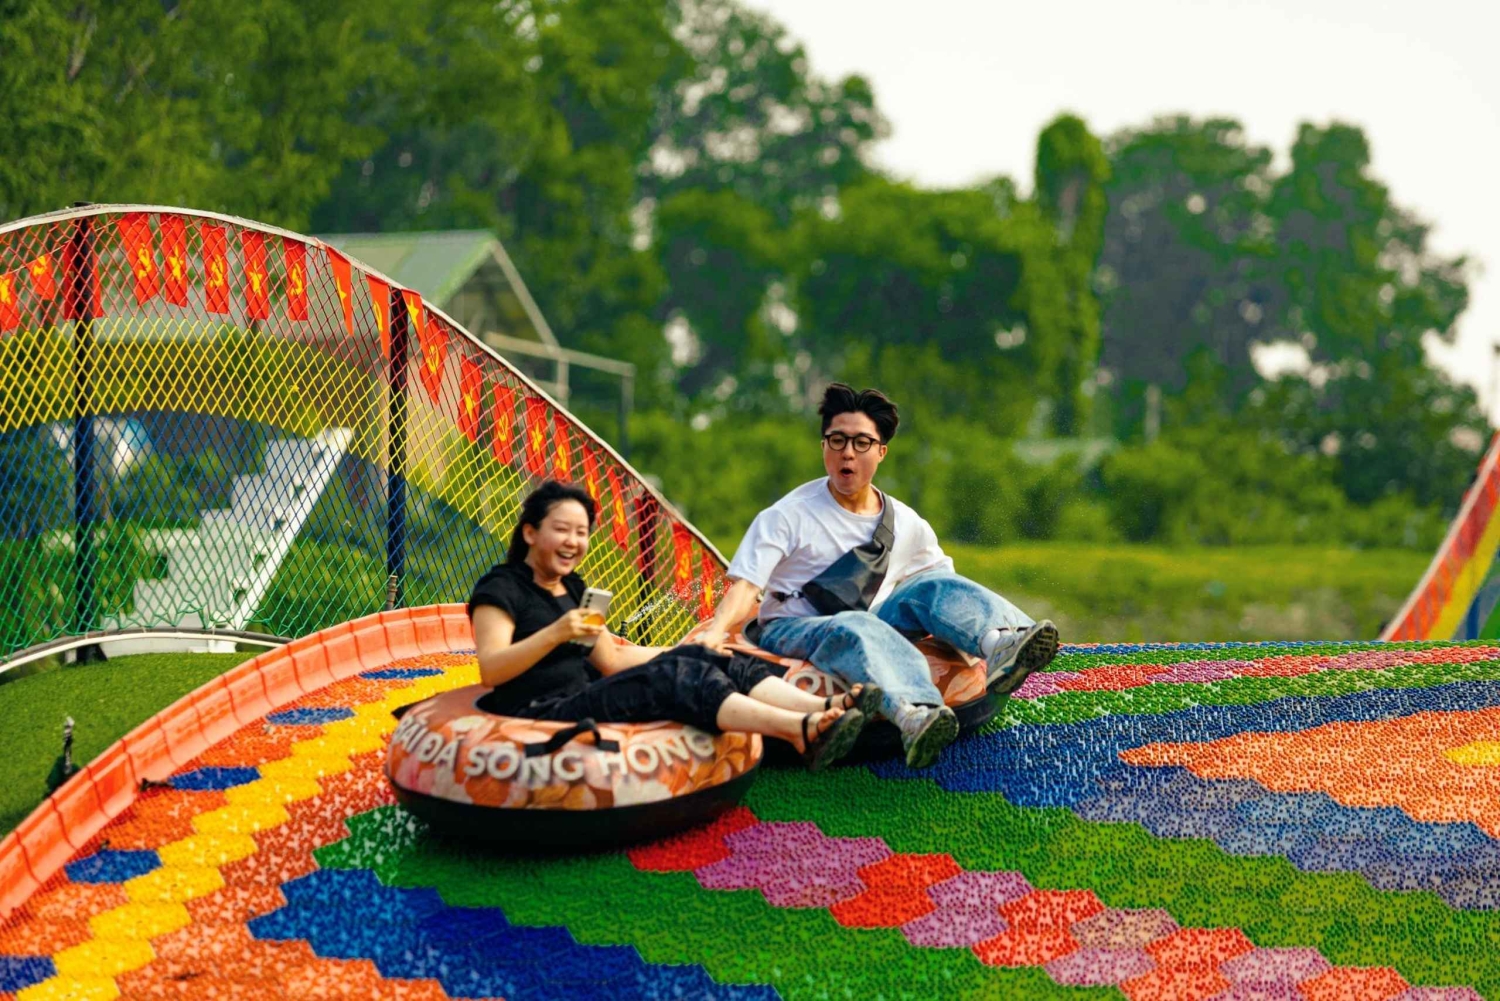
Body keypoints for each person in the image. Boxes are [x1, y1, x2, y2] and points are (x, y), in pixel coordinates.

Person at [692, 383, 1059, 769]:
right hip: (791, 627)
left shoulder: (905, 522)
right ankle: (914, 712)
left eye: (862, 442)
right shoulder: (786, 516)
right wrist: (715, 632)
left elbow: (942, 588)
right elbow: (747, 585)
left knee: (926, 584)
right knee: (855, 624)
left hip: (875, 617)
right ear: (823, 446)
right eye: (837, 440)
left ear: (881, 451)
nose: (848, 452)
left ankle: (1001, 642)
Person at [468, 480, 878, 771]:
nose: (573, 542)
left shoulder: (573, 587)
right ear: (530, 532)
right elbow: (492, 669)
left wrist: (690, 650)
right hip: (541, 710)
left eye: (581, 532)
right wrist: (556, 633)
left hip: (587, 691)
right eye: (561, 530)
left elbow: (611, 660)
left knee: (715, 657)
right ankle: (799, 731)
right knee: (681, 676)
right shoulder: (502, 588)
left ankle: (826, 709)